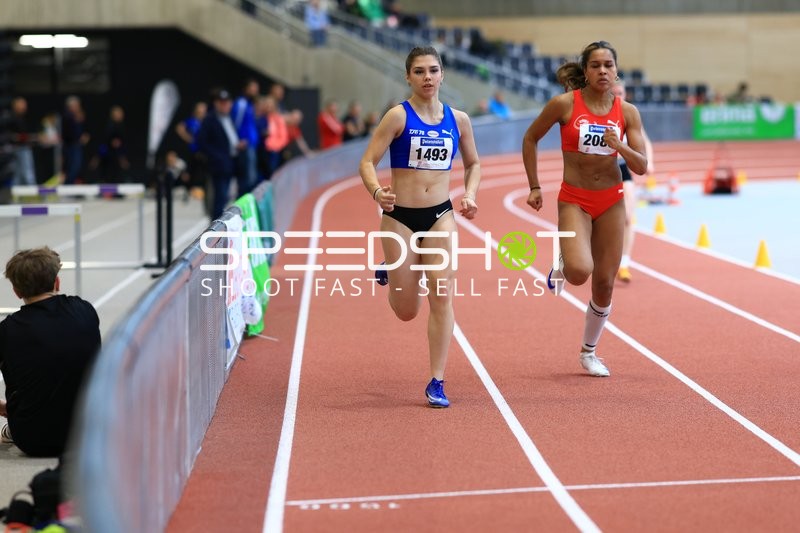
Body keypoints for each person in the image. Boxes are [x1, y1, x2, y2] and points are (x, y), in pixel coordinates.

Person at [359, 46, 480, 407]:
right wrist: (377, 192)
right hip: (400, 219)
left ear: (443, 75)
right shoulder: (398, 116)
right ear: (408, 77)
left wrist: (470, 194)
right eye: (419, 71)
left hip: (440, 216)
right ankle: (391, 271)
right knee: (407, 311)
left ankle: (437, 381)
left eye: (433, 70)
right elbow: (367, 162)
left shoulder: (459, 120)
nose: (427, 77)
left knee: (441, 294)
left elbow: (473, 164)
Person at [521, 41, 648, 377]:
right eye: (595, 65)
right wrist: (534, 186)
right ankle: (564, 261)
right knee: (579, 272)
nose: (603, 71)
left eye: (608, 65)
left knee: (604, 283)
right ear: (586, 71)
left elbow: (641, 166)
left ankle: (589, 352)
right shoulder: (564, 104)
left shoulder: (628, 112)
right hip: (575, 198)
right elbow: (530, 138)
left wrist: (619, 145)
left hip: (611, 200)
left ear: (616, 71)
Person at [0, 247, 101, 458]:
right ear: (57, 282)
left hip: (33, 439)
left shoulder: (7, 329)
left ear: (17, 292)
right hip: (88, 433)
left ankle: (18, 425)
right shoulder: (84, 309)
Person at [610, 79, 654, 283]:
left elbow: (645, 141)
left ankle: (624, 264)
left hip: (622, 168)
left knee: (628, 217)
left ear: (625, 94)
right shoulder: (599, 113)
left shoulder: (629, 114)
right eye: (614, 93)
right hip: (601, 171)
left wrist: (649, 162)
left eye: (620, 93)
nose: (617, 96)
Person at [196, 88, 241, 220]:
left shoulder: (229, 118)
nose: (225, 105)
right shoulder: (210, 119)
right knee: (219, 197)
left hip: (231, 162)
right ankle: (216, 224)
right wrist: (217, 156)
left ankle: (222, 222)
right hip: (219, 165)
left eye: (227, 102)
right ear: (216, 103)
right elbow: (202, 142)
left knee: (226, 196)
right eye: (222, 102)